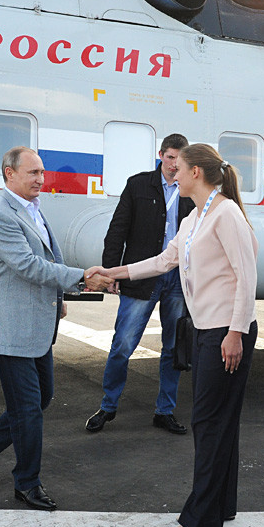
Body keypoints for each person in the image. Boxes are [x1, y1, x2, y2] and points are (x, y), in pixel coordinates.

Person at [93, 143, 258, 527]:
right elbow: (163, 260)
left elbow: (247, 276)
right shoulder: (195, 217)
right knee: (219, 422)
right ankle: (222, 505)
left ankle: (201, 522)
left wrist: (235, 332)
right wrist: (112, 271)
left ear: (197, 172)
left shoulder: (226, 214)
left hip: (224, 332)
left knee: (207, 422)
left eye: (179, 168)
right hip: (206, 330)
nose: (173, 174)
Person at [0, 146, 112, 511]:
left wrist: (62, 293)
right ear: (9, 174)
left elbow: (51, 257)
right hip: (11, 326)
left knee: (42, 397)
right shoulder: (0, 216)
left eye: (41, 172)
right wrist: (82, 277)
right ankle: (27, 483)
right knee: (29, 409)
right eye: (32, 173)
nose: (40, 179)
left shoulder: (31, 208)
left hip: (37, 321)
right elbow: (29, 266)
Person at [85, 133, 195, 435]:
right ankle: (107, 407)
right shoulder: (138, 184)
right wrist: (109, 272)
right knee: (123, 345)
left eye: (180, 159)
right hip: (141, 275)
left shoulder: (190, 189)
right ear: (161, 155)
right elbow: (118, 228)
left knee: (173, 348)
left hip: (176, 279)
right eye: (170, 157)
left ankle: (165, 410)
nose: (174, 164)